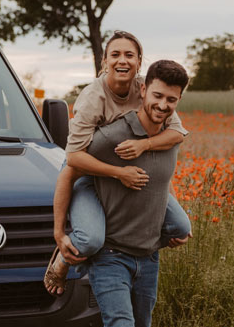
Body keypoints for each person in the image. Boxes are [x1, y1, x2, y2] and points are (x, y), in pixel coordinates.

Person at [82, 58, 190, 327]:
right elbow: (72, 166)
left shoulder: (171, 135)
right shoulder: (113, 136)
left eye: (171, 100)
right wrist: (64, 233)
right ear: (143, 89)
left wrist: (168, 232)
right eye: (158, 95)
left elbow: (160, 190)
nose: (163, 105)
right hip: (110, 255)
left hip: (148, 258)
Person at [44, 30, 192, 292]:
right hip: (88, 170)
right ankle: (68, 259)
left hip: (131, 168)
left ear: (139, 62)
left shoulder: (148, 89)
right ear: (104, 61)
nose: (122, 60)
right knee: (90, 240)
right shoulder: (93, 98)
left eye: (129, 55)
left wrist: (143, 145)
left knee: (180, 228)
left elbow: (177, 133)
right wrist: (59, 233)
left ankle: (134, 260)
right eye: (115, 54)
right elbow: (73, 159)